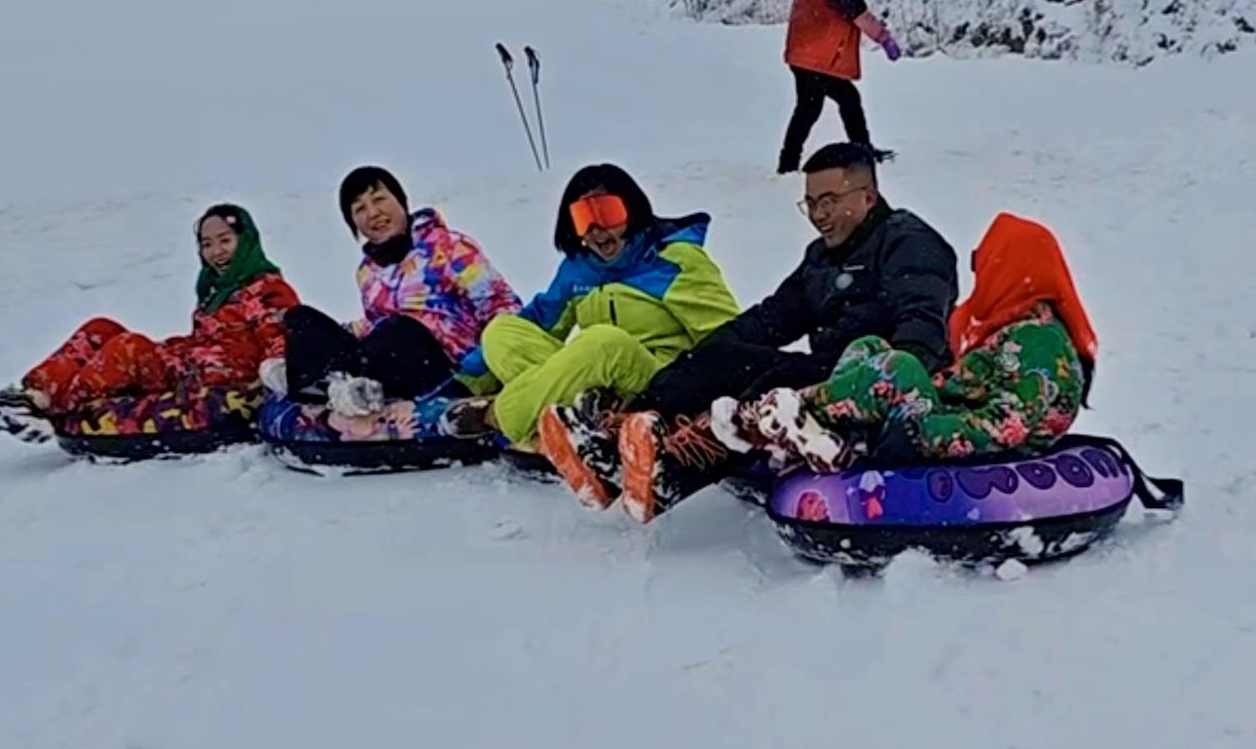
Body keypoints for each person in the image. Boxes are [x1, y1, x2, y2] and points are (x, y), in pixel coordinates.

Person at [607, 141, 959, 520]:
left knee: (779, 380)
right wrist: (695, 365)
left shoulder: (910, 244)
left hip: (875, 382)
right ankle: (625, 432)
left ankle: (673, 477)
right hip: (827, 369)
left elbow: (921, 327)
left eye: (829, 202)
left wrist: (884, 396)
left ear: (868, 197)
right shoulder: (821, 258)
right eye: (811, 203)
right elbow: (770, 320)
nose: (818, 215)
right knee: (725, 357)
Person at [721, 212, 1096, 471]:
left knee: (900, 367)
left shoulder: (1039, 342)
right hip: (939, 418)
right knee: (870, 345)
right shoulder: (1010, 328)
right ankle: (821, 434)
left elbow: (1007, 424)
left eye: (984, 267)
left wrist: (925, 431)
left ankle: (790, 413)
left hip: (947, 437)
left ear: (1010, 270)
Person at [460, 165, 739, 504]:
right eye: (583, 219)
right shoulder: (580, 269)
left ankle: (498, 417)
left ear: (632, 210)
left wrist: (710, 401)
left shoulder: (675, 261)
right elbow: (540, 324)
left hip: (663, 384)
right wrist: (467, 379)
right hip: (602, 388)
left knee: (603, 342)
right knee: (502, 332)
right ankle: (558, 436)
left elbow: (726, 334)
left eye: (606, 212)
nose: (596, 230)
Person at [17, 205, 299, 439]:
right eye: (207, 244)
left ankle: (55, 410)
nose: (216, 252)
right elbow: (207, 340)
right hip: (187, 367)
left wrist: (280, 377)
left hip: (221, 380)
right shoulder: (217, 290)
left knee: (129, 347)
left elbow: (283, 338)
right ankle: (31, 396)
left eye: (225, 241)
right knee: (100, 329)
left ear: (245, 240)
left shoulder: (267, 289)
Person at [276, 167, 519, 436]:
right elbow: (374, 324)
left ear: (401, 201)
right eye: (360, 209)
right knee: (301, 318)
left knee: (401, 329)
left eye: (379, 199)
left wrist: (487, 361)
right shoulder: (367, 272)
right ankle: (331, 393)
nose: (373, 213)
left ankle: (342, 396)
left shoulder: (449, 246)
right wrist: (326, 338)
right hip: (389, 358)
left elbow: (501, 304)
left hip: (445, 365)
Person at [778, 0, 900, 173]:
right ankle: (788, 164)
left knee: (843, 99)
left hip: (812, 52)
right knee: (810, 108)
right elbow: (857, 12)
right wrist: (884, 38)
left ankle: (861, 149)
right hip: (812, 54)